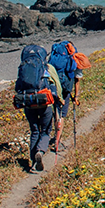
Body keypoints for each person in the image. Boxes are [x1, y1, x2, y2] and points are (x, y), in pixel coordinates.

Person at [13, 43, 62, 172]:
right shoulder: (46, 68)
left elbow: (17, 87)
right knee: (45, 130)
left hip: (28, 102)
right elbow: (54, 86)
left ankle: (34, 162)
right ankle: (40, 151)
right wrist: (58, 101)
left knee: (34, 130)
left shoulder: (23, 68)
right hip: (44, 101)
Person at [47, 40, 85, 150]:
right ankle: (57, 141)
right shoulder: (73, 56)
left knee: (55, 110)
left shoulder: (54, 56)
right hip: (65, 89)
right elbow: (77, 79)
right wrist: (76, 96)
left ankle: (51, 136)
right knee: (62, 114)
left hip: (53, 86)